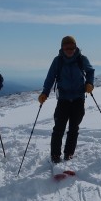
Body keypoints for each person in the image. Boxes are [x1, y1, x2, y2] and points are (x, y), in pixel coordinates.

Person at [38, 35, 95, 163]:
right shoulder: (57, 61)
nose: (69, 50)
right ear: (62, 48)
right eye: (66, 47)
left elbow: (90, 71)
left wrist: (90, 83)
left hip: (78, 99)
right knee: (59, 128)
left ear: (75, 47)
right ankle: (55, 155)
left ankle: (69, 153)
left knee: (74, 128)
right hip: (63, 99)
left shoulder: (82, 59)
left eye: (72, 47)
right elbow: (50, 78)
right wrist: (45, 93)